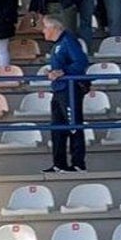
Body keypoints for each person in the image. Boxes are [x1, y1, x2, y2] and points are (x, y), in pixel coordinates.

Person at [40, 15, 89, 174]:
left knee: (73, 125)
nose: (43, 31)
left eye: (45, 27)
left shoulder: (68, 41)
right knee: (57, 128)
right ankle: (59, 163)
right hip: (59, 89)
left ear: (54, 28)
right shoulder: (58, 44)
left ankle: (78, 164)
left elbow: (81, 62)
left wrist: (63, 72)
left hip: (69, 89)